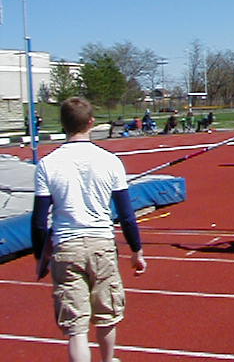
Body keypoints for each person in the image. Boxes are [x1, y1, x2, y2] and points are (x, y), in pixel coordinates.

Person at [31, 97, 147, 362]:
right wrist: (136, 250)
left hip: (66, 247)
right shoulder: (110, 161)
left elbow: (39, 219)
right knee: (107, 314)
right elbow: (127, 215)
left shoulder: (48, 164)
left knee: (76, 327)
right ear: (91, 123)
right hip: (101, 244)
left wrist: (40, 256)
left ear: (63, 124)